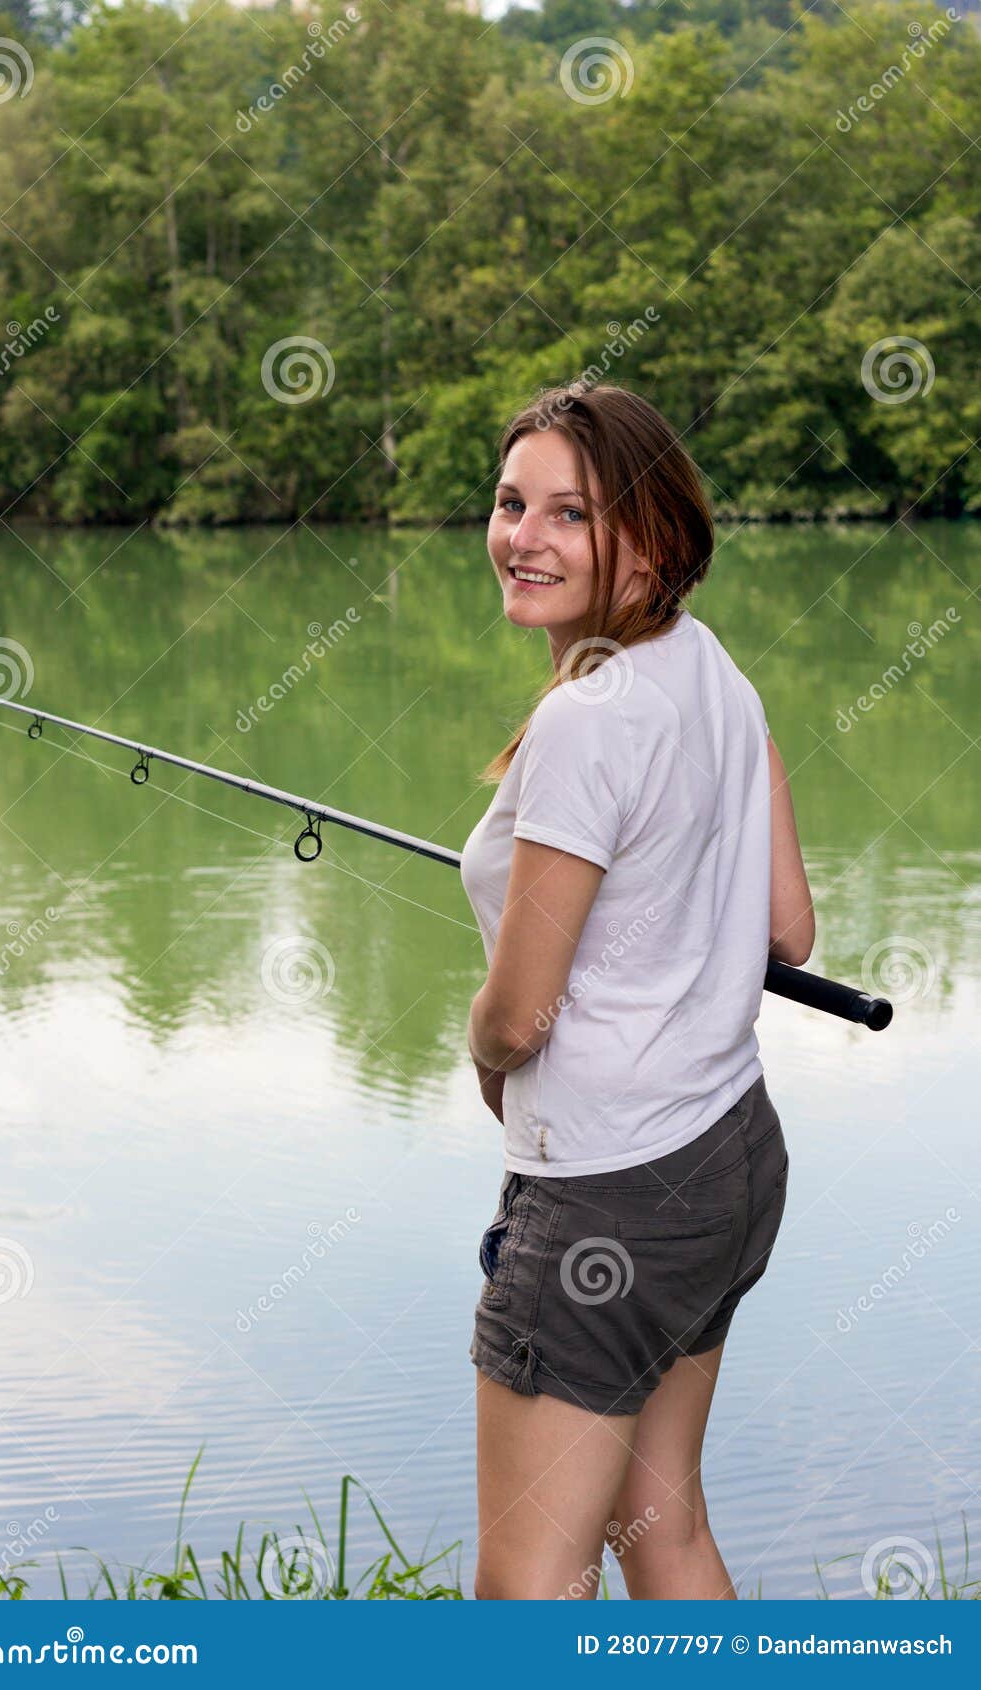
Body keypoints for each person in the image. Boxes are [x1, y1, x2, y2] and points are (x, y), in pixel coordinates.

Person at [458, 383, 814, 1601]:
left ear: (652, 541)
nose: (524, 536)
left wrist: (482, 1057)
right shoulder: (707, 669)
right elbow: (786, 929)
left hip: (606, 1197)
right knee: (655, 1528)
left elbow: (519, 1014)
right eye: (512, 504)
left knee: (521, 1595)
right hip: (725, 1156)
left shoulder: (586, 723)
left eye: (569, 513)